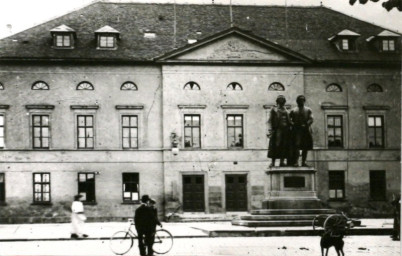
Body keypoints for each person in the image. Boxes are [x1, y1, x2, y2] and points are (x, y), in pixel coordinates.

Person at [267, 95, 291, 167]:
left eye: (283, 101)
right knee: (275, 145)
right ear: (277, 101)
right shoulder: (274, 109)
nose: (282, 102)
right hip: (277, 129)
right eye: (280, 100)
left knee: (284, 145)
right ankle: (273, 162)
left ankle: (282, 161)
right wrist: (270, 130)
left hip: (286, 130)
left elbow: (289, 120)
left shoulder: (286, 110)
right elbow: (270, 120)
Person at [289, 95, 314, 167]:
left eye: (303, 100)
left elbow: (311, 119)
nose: (301, 101)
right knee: (296, 145)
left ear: (304, 101)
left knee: (305, 146)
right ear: (297, 101)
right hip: (296, 131)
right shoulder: (293, 110)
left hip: (305, 130)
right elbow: (289, 119)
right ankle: (296, 162)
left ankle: (303, 162)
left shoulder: (308, 110)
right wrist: (293, 124)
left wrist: (306, 124)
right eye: (299, 100)